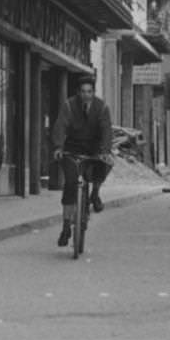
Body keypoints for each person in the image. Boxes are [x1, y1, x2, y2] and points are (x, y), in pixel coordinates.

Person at [49, 72, 113, 247]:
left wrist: (105, 151)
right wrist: (58, 147)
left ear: (94, 92)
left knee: (104, 165)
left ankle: (95, 193)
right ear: (78, 92)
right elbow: (60, 126)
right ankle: (65, 227)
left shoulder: (102, 107)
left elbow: (106, 130)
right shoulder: (69, 106)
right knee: (70, 184)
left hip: (94, 149)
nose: (86, 95)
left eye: (89, 91)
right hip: (72, 149)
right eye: (83, 92)